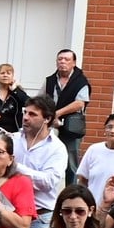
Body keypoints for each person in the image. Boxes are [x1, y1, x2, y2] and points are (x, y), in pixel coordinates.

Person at [12, 96, 70, 228]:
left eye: (32, 114)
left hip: (39, 218)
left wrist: (15, 166)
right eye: (25, 112)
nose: (25, 117)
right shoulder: (12, 139)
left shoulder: (57, 148)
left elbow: (48, 182)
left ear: (47, 119)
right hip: (11, 215)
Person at [44, 48, 91, 180]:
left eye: (66, 59)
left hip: (71, 127)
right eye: (60, 59)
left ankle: (72, 195)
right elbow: (40, 99)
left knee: (71, 165)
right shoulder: (50, 80)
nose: (62, 62)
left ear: (74, 63)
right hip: (51, 127)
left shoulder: (81, 81)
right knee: (47, 160)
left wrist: (57, 113)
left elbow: (79, 103)